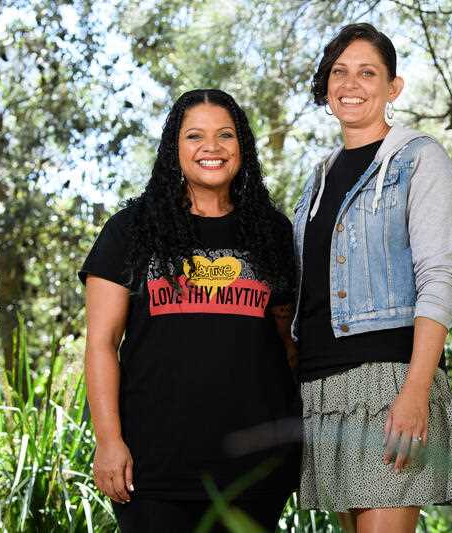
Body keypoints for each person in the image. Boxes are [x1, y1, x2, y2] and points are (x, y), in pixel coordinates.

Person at [78, 89, 300, 532]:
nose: (212, 148)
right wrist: (108, 441)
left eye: (225, 135)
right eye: (195, 136)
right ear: (173, 149)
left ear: (243, 147)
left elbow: (288, 345)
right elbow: (101, 345)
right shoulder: (131, 229)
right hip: (155, 467)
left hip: (253, 471)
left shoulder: (273, 233)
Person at [291, 23, 452, 532]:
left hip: (388, 382)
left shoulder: (419, 159)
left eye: (367, 72)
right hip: (325, 387)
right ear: (327, 88)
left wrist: (415, 390)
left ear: (393, 87)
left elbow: (437, 277)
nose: (351, 83)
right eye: (340, 72)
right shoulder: (319, 178)